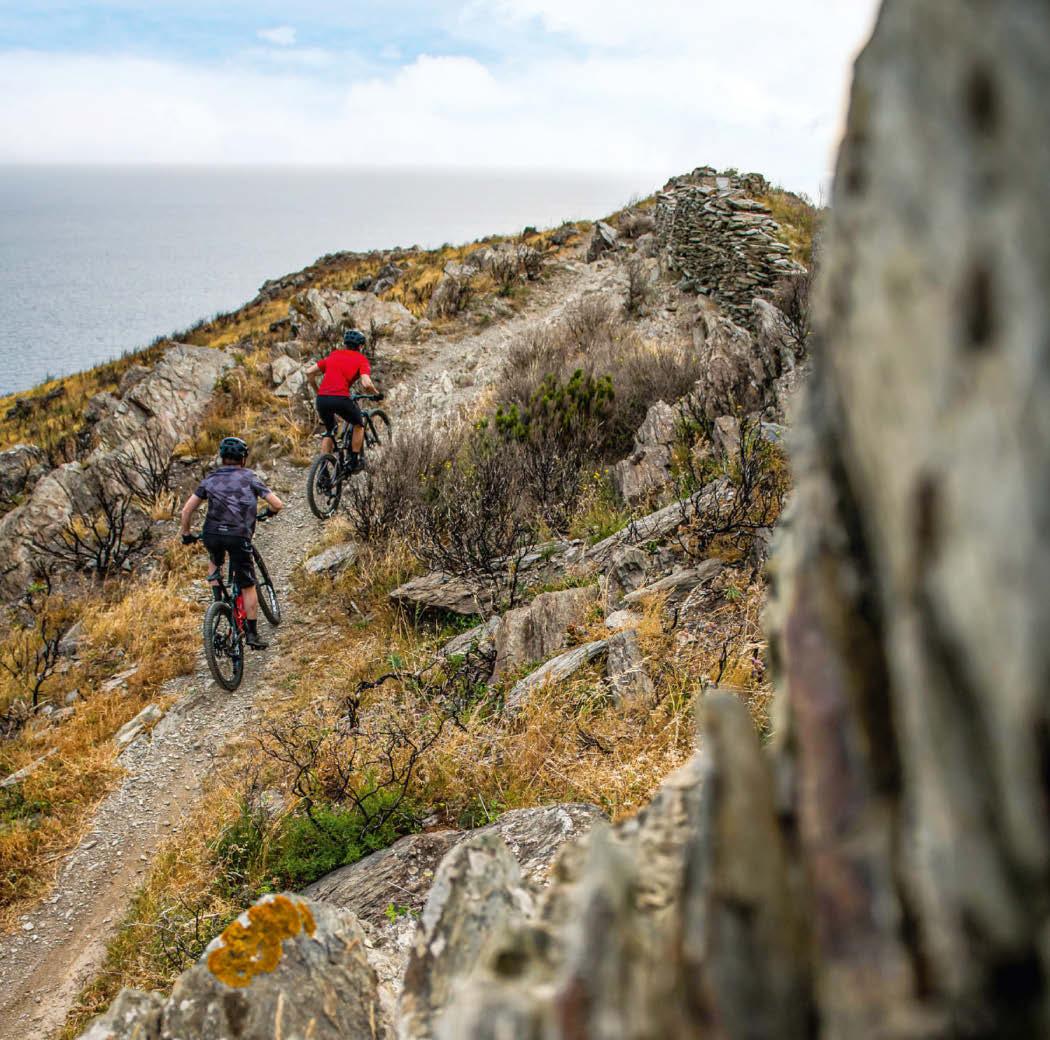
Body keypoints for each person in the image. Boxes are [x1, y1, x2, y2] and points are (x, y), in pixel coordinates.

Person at [178, 436, 283, 650]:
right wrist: (270, 512)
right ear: (243, 458)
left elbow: (186, 510)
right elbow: (277, 504)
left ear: (222, 457)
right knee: (248, 584)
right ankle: (252, 634)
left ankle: (218, 599)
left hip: (212, 534)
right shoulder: (250, 477)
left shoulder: (210, 479)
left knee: (214, 560)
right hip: (238, 536)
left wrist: (186, 534)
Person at [305, 328, 383, 473]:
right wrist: (377, 394)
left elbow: (309, 372)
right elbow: (366, 384)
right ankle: (353, 461)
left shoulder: (334, 355)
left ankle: (323, 472)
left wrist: (317, 391)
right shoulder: (361, 359)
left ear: (345, 343)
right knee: (359, 424)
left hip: (322, 399)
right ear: (361, 346)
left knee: (330, 430)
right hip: (340, 398)